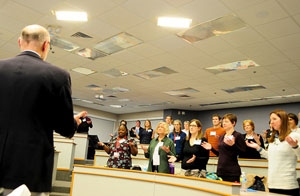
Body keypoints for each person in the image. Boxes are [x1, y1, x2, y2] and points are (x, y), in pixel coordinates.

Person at [0, 24, 80, 196]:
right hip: (29, 170)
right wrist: (73, 122)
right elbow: (65, 128)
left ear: (20, 42)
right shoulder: (58, 75)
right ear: (46, 45)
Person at [246, 109, 300, 196]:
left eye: (274, 119)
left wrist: (295, 146)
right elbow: (270, 157)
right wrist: (258, 148)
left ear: (283, 120)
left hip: (288, 185)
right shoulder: (274, 139)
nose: (271, 122)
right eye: (271, 119)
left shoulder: (295, 136)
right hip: (272, 184)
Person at [202, 113, 246, 182]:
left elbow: (243, 152)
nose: (224, 123)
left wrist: (233, 145)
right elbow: (220, 154)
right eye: (223, 122)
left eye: (226, 122)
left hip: (232, 172)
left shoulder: (238, 135)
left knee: (233, 192)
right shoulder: (222, 136)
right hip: (221, 170)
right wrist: (211, 148)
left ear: (233, 123)